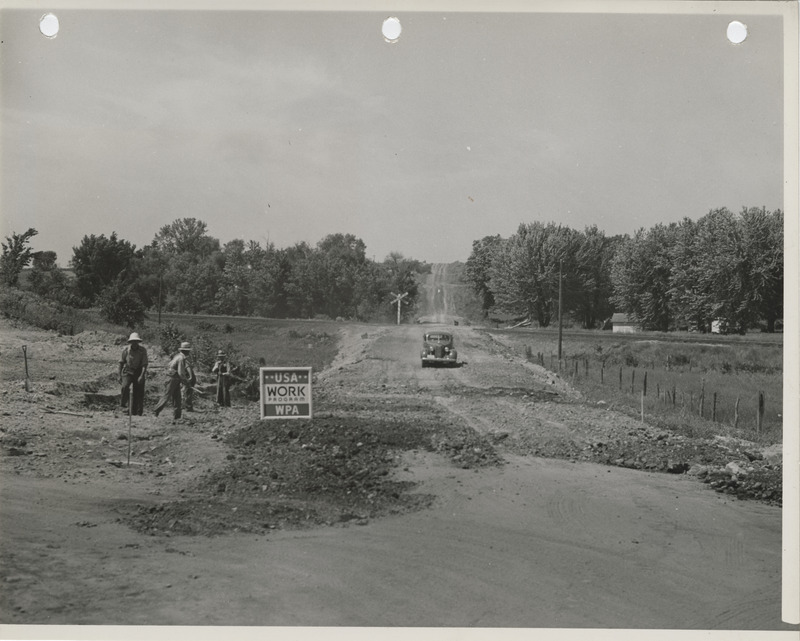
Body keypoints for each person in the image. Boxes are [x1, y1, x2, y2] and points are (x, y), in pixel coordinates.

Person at [154, 342, 193, 420]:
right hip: (172, 378)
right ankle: (156, 411)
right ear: (185, 351)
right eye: (187, 350)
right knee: (167, 396)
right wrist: (186, 381)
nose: (189, 352)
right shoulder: (181, 358)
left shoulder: (178, 356)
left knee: (177, 397)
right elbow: (181, 372)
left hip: (176, 378)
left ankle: (177, 416)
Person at [119, 332, 148, 416]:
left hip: (138, 371)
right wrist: (119, 375)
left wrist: (142, 375)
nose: (134, 343)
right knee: (125, 386)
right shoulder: (125, 350)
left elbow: (144, 364)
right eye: (133, 341)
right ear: (130, 342)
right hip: (128, 370)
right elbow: (121, 363)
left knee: (138, 392)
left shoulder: (142, 350)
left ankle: (137, 412)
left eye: (136, 341)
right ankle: (123, 404)